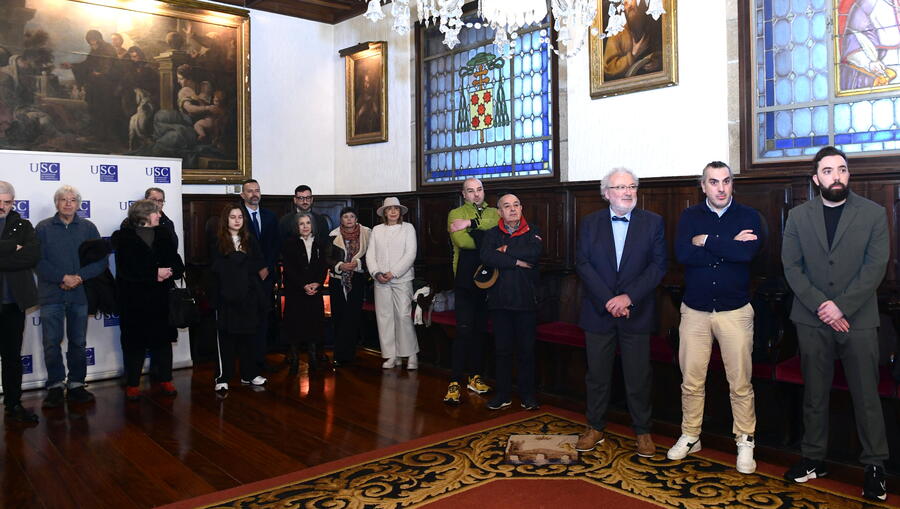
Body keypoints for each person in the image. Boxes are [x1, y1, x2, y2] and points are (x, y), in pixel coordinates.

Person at [781, 146, 889, 501]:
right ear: (816, 179)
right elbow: (792, 268)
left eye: (841, 169)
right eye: (827, 171)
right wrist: (822, 307)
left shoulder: (872, 214)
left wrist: (841, 307)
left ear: (848, 174)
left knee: (866, 395)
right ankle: (813, 458)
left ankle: (875, 466)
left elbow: (875, 267)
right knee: (814, 393)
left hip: (857, 319)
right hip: (811, 320)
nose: (836, 176)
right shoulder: (797, 217)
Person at [668, 161, 762, 474]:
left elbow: (746, 255)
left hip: (735, 311)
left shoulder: (748, 216)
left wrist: (707, 241)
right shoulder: (689, 216)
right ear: (703, 186)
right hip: (694, 310)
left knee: (740, 382)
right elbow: (684, 255)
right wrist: (729, 245)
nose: (720, 188)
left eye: (726, 181)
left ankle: (745, 440)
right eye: (713, 182)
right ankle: (691, 435)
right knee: (692, 380)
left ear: (732, 184)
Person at [574, 168, 666, 457]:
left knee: (639, 377)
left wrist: (628, 298)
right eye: (620, 187)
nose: (627, 192)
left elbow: (658, 267)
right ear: (606, 194)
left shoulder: (653, 223)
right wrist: (609, 300)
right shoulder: (589, 223)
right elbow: (583, 264)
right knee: (597, 376)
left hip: (636, 313)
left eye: (632, 187)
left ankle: (643, 431)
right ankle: (595, 427)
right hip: (598, 312)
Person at [35, 185, 108, 407]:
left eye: (73, 200)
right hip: (51, 294)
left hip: (80, 295)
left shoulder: (88, 228)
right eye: (63, 200)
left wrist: (79, 277)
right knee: (51, 342)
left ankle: (76, 383)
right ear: (56, 203)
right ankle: (55, 385)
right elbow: (37, 261)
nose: (68, 203)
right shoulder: (43, 228)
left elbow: (101, 261)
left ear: (78, 204)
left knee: (78, 342)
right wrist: (62, 278)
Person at [111, 200, 184, 400]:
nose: (160, 215)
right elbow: (126, 270)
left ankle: (166, 380)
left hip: (160, 301)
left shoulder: (163, 234)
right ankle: (133, 384)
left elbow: (176, 262)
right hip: (134, 302)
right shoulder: (123, 238)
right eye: (156, 212)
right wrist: (154, 273)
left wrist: (170, 271)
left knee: (162, 343)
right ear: (145, 215)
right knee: (134, 345)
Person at [479, 193, 542, 411]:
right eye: (507, 206)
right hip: (500, 302)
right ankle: (503, 394)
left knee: (527, 351)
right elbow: (487, 256)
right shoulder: (492, 234)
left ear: (521, 208)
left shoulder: (532, 231)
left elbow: (534, 253)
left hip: (526, 302)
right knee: (502, 351)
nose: (512, 209)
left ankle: (527, 395)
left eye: (516, 204)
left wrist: (506, 250)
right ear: (500, 212)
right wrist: (516, 261)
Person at [443, 178, 499, 405]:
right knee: (464, 330)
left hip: (489, 278)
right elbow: (463, 242)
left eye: (480, 190)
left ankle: (475, 376)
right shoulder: (454, 213)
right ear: (463, 194)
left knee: (480, 330)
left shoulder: (494, 212)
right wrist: (482, 234)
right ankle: (454, 380)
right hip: (465, 277)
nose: (476, 195)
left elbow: (496, 235)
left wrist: (470, 225)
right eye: (471, 191)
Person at [210, 204, 268, 392]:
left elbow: (259, 264)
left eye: (240, 217)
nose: (237, 220)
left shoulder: (250, 240)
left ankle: (248, 374)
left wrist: (241, 263)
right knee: (226, 339)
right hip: (226, 297)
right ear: (226, 220)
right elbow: (215, 267)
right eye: (233, 217)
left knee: (248, 337)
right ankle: (222, 377)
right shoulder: (217, 240)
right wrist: (237, 260)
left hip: (248, 296)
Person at [0, 181, 40, 423]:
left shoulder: (24, 226)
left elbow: (31, 256)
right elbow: (18, 256)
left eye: (6, 202)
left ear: (13, 202)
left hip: (13, 304)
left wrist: (16, 252)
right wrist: (9, 248)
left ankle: (13, 404)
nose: (2, 206)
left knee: (12, 357)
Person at [367, 197, 419, 369]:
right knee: (385, 317)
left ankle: (411, 355)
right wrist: (376, 272)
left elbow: (410, 254)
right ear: (384, 212)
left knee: (403, 315)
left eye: (396, 208)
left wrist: (393, 272)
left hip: (402, 279)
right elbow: (370, 255)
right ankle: (391, 355)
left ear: (400, 211)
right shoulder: (377, 230)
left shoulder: (408, 228)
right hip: (380, 280)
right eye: (389, 209)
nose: (393, 212)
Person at [280, 211, 330, 373]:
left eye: (308, 223)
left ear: (312, 225)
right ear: (296, 227)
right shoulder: (288, 244)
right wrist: (303, 285)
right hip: (296, 292)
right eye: (301, 223)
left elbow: (323, 266)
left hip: (314, 292)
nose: (305, 226)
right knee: (294, 326)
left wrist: (317, 283)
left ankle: (313, 359)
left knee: (314, 325)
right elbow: (289, 268)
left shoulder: (320, 244)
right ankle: (294, 360)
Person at [239, 179, 279, 373]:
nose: (254, 194)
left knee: (263, 320)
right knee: (247, 321)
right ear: (242, 195)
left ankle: (261, 361)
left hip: (266, 277)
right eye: (250, 191)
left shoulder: (270, 216)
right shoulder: (237, 217)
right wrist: (256, 268)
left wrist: (267, 268)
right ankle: (247, 363)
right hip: (246, 277)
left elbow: (274, 246)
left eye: (257, 190)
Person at [328, 206, 371, 366]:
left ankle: (350, 354)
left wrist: (358, 263)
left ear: (356, 219)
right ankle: (339, 355)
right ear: (341, 219)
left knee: (352, 317)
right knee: (339, 317)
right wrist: (340, 265)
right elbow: (327, 257)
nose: (349, 220)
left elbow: (372, 255)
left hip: (357, 279)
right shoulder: (333, 235)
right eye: (345, 217)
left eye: (352, 216)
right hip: (337, 280)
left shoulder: (367, 233)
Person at [603, 0, 663, 80]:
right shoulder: (617, 32)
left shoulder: (653, 25)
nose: (630, 6)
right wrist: (634, 54)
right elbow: (609, 70)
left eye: (632, 1)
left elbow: (665, 52)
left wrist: (658, 62)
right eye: (626, 3)